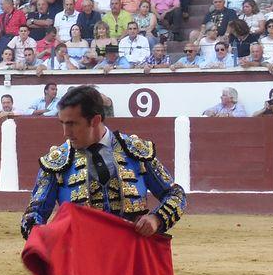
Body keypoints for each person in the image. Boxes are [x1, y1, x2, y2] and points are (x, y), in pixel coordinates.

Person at [21, 84, 186, 239]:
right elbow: (33, 215)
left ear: (95, 120)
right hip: (81, 260)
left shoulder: (136, 151)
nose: (65, 132)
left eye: (72, 124)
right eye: (62, 123)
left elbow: (176, 195)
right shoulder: (56, 162)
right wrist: (44, 237)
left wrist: (156, 219)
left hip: (131, 258)